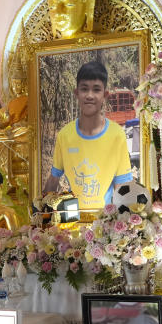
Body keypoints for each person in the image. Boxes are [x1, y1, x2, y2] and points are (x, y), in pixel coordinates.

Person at [43, 60, 133, 211]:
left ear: (105, 95)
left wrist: (124, 225)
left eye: (96, 90)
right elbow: (53, 179)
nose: (90, 95)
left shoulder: (117, 135)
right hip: (72, 222)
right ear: (76, 93)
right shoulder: (64, 136)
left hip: (106, 222)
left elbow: (122, 185)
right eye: (84, 89)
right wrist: (42, 215)